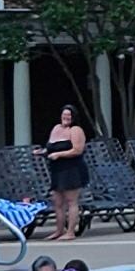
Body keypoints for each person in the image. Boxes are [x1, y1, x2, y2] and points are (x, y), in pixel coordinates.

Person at [44, 103, 90, 243]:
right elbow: (51, 148)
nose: (66, 117)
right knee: (57, 202)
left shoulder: (76, 130)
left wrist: (59, 155)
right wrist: (42, 152)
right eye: (64, 115)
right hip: (57, 170)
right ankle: (59, 230)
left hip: (72, 170)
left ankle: (70, 232)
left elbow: (77, 150)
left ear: (73, 117)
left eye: (69, 115)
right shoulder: (56, 128)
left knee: (71, 201)